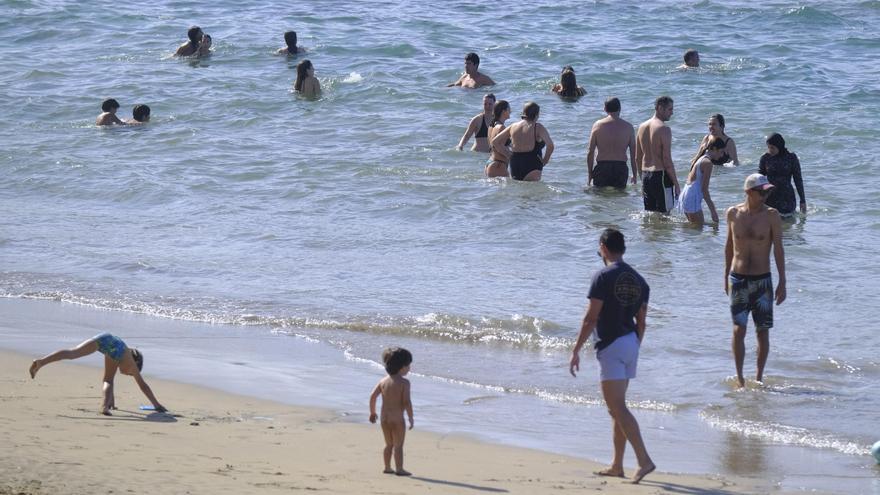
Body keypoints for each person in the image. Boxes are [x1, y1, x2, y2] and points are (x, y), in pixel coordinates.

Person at [569, 228, 656, 485]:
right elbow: (642, 322)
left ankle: (644, 461)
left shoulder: (602, 276)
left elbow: (590, 317)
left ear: (604, 248)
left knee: (617, 407)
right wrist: (634, 346)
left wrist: (575, 350)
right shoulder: (640, 280)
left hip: (612, 345)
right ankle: (617, 465)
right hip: (631, 342)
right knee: (616, 408)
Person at [724, 174, 786, 388]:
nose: (766, 195)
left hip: (762, 281)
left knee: (762, 331)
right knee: (738, 329)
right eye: (762, 192)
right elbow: (729, 246)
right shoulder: (733, 214)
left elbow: (778, 249)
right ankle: (740, 379)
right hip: (738, 279)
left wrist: (782, 281)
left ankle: (758, 378)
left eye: (767, 191)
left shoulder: (772, 216)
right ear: (749, 192)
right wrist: (725, 276)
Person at [28, 333, 167, 415]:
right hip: (115, 345)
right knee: (108, 380)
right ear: (136, 364)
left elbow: (111, 375)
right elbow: (143, 386)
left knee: (72, 353)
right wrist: (157, 405)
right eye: (130, 374)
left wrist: (113, 401)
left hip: (104, 337)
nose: (127, 374)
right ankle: (104, 407)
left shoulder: (124, 355)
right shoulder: (131, 364)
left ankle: (41, 362)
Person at [369, 347, 414, 476]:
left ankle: (387, 467)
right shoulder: (404, 383)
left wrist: (372, 412)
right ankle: (399, 469)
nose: (409, 368)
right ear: (402, 367)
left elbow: (373, 397)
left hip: (384, 419)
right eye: (408, 365)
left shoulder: (383, 381)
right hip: (398, 420)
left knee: (389, 444)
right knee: (398, 446)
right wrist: (411, 418)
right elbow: (406, 402)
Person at [636, 96, 680, 212]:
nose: (672, 113)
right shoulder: (664, 129)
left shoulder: (641, 127)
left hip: (646, 175)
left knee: (650, 214)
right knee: (665, 215)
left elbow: (637, 157)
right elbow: (667, 159)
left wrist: (642, 179)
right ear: (660, 108)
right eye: (670, 109)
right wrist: (676, 184)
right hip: (660, 176)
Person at [490, 102, 554, 181]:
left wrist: (509, 155)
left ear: (524, 113)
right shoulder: (538, 127)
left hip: (515, 165)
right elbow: (550, 145)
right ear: (537, 115)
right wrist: (545, 161)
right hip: (532, 164)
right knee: (532, 192)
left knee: (518, 191)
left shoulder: (513, 126)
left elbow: (495, 142)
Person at [587, 97, 637, 189]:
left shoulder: (597, 125)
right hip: (620, 168)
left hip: (602, 167)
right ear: (620, 108)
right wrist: (635, 175)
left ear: (605, 109)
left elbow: (590, 151)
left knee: (599, 198)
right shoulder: (628, 127)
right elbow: (634, 154)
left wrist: (590, 174)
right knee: (620, 198)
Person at [679, 136, 724, 224]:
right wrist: (713, 211)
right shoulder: (708, 163)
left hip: (686, 194)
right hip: (692, 197)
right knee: (698, 229)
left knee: (693, 229)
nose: (722, 155)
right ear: (714, 149)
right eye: (721, 151)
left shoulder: (701, 158)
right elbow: (704, 190)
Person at [759, 133, 807, 215]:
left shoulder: (791, 158)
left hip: (786, 199)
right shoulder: (765, 158)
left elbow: (798, 180)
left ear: (779, 146)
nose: (770, 150)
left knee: (787, 225)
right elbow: (760, 178)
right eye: (768, 147)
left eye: (772, 148)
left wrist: (802, 200)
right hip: (769, 198)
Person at [486, 99, 511, 178]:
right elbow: (497, 146)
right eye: (509, 109)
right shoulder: (501, 127)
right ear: (504, 111)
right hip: (498, 165)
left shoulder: (491, 125)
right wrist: (512, 157)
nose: (510, 111)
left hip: (491, 162)